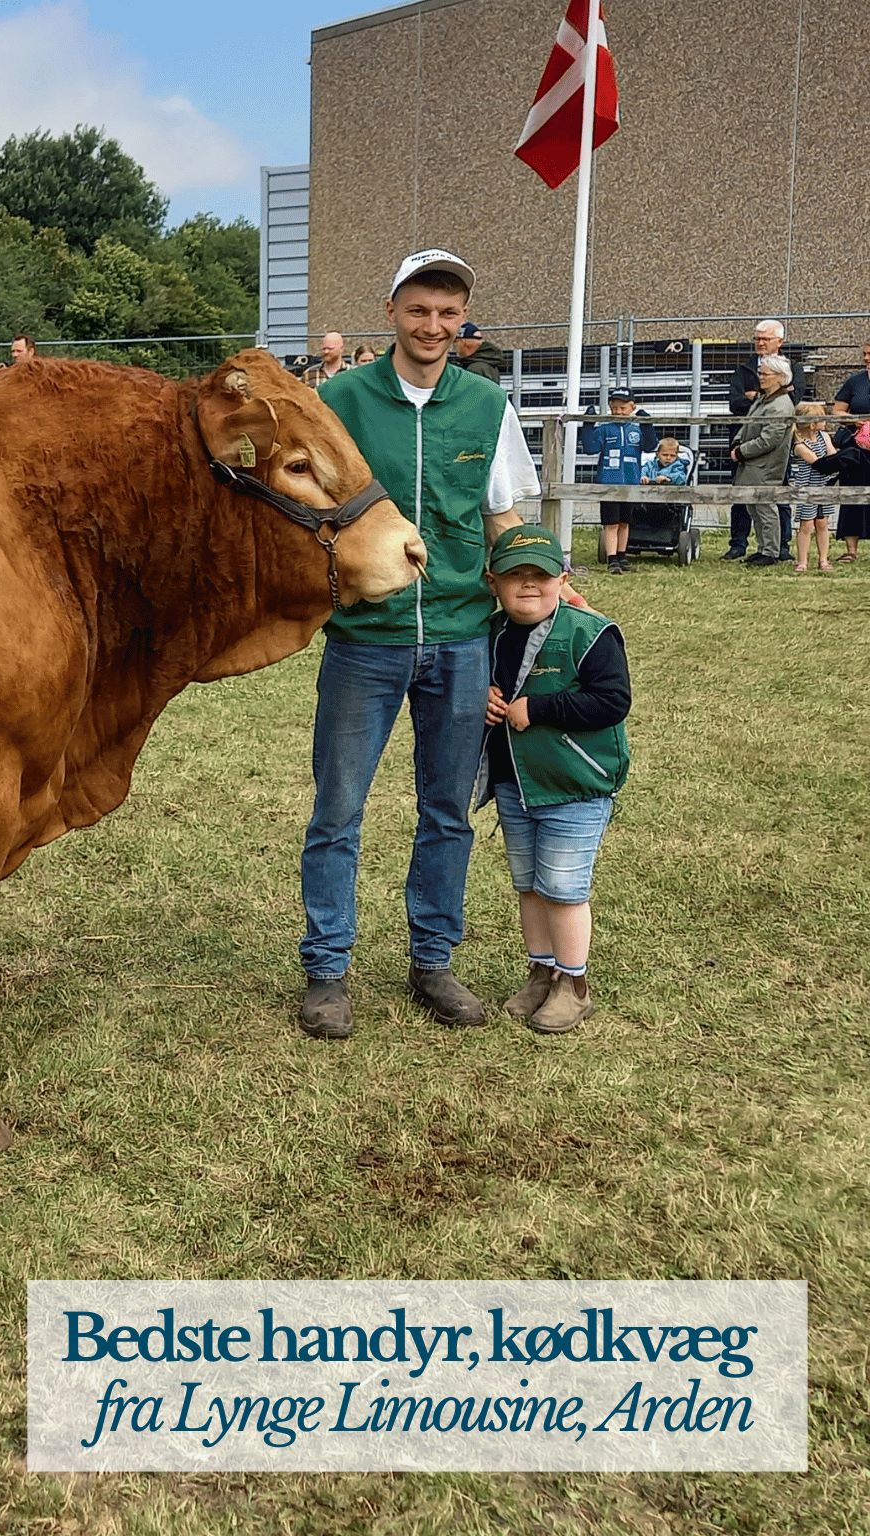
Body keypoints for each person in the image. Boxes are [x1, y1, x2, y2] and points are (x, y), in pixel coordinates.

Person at [300, 249, 541, 1040]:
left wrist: (545, 584)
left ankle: (432, 960)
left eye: (447, 313)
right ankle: (326, 969)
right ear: (392, 312)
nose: (432, 326)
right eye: (418, 310)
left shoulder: (486, 405)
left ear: (461, 319)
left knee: (447, 810)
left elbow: (502, 516)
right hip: (364, 640)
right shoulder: (338, 401)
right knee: (338, 810)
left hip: (462, 639)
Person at [478, 526, 631, 1036]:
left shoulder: (590, 633)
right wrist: (485, 696)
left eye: (541, 575)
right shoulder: (490, 632)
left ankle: (573, 985)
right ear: (493, 582)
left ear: (562, 579)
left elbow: (612, 701)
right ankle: (540, 973)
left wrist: (538, 707)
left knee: (563, 888)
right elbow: (481, 686)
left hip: (575, 785)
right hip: (516, 783)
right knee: (529, 885)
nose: (528, 585)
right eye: (515, 575)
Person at [723, 321, 799, 559]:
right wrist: (737, 444)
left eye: (765, 375)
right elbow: (743, 415)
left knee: (766, 508)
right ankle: (761, 548)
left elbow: (771, 438)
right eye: (760, 373)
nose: (760, 378)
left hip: (765, 465)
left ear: (780, 377)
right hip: (752, 462)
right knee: (753, 508)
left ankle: (772, 550)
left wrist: (742, 451)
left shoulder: (780, 405)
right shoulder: (764, 399)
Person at [579, 388, 649, 573]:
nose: (618, 412)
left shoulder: (636, 428)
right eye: (614, 408)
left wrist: (647, 424)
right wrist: (588, 424)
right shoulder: (605, 428)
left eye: (623, 408)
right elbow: (590, 448)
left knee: (625, 522)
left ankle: (622, 556)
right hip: (609, 482)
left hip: (631, 482)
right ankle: (612, 559)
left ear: (633, 407)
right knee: (611, 523)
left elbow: (650, 445)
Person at [813, 411, 870, 563]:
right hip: (857, 450)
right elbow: (838, 410)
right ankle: (851, 551)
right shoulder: (852, 452)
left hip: (856, 452)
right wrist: (854, 420)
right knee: (851, 501)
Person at [786, 402, 837, 572]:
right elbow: (817, 462)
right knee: (806, 525)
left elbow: (831, 454)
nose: (825, 422)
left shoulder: (824, 437)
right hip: (808, 486)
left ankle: (823, 559)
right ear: (812, 424)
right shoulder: (800, 445)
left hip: (824, 484)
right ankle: (802, 561)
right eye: (821, 419)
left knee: (822, 523)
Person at [835, 340, 870, 417]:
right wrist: (854, 420)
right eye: (864, 354)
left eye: (869, 354)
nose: (866, 358)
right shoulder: (854, 381)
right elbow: (837, 411)